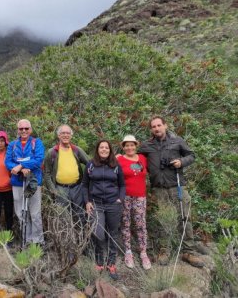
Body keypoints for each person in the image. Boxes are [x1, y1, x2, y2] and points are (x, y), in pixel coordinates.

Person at [139, 115, 204, 268]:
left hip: (177, 185)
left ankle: (188, 251)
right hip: (159, 189)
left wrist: (181, 162)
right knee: (164, 220)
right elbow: (135, 156)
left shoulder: (177, 141)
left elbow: (192, 155)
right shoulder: (147, 145)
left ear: (165, 126)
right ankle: (164, 250)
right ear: (151, 129)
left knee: (184, 217)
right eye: (153, 126)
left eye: (159, 125)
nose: (156, 128)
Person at [82, 140, 125, 280]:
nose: (104, 149)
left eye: (107, 148)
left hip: (113, 203)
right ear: (98, 149)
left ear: (110, 150)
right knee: (98, 233)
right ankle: (99, 261)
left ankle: (111, 264)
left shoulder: (116, 165)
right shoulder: (90, 165)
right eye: (102, 147)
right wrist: (87, 201)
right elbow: (84, 185)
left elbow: (122, 185)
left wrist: (120, 199)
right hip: (96, 204)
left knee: (113, 234)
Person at [5, 119, 45, 245]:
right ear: (17, 130)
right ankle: (26, 240)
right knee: (21, 213)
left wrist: (20, 165)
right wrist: (20, 168)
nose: (24, 131)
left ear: (30, 129)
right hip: (17, 182)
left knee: (35, 213)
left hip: (33, 182)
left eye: (26, 128)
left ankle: (37, 241)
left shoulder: (36, 143)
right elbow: (8, 162)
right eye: (21, 129)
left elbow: (38, 160)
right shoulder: (12, 145)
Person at [117, 135, 151, 270]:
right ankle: (128, 252)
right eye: (127, 145)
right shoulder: (119, 159)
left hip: (140, 197)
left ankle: (143, 252)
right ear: (123, 147)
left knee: (140, 224)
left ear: (136, 146)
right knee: (125, 224)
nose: (129, 148)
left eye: (132, 145)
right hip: (125, 196)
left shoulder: (142, 158)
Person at [44, 124, 89, 222]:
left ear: (71, 135)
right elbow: (46, 173)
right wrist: (53, 189)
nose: (65, 135)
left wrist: (85, 183)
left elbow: (90, 164)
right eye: (63, 133)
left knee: (80, 214)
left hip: (77, 188)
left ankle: (81, 236)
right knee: (63, 216)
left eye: (68, 133)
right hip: (60, 189)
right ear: (58, 135)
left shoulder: (77, 150)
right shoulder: (52, 152)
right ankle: (66, 237)